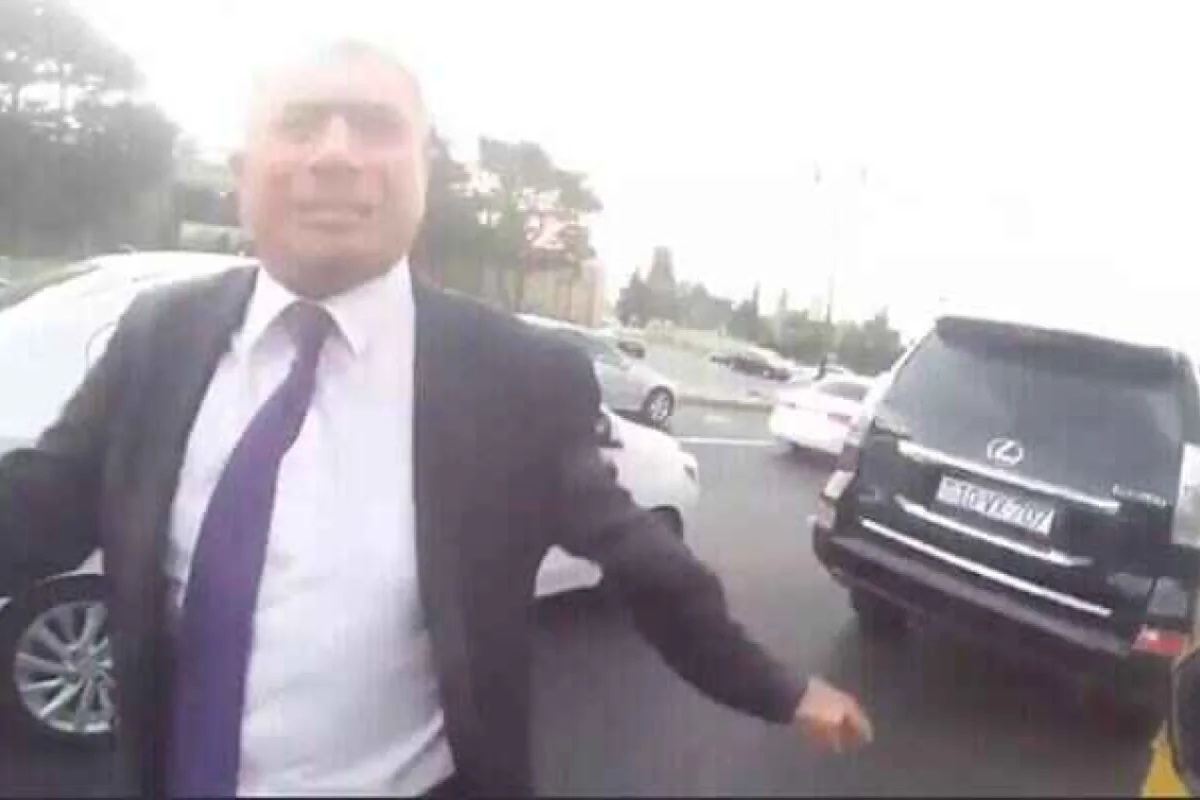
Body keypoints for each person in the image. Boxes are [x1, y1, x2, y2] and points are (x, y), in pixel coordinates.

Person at [0, 40, 872, 797]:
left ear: (424, 178)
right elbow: (41, 505)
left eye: (375, 126)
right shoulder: (161, 335)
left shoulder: (515, 378)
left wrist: (780, 687)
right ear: (241, 175)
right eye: (299, 124)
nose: (335, 154)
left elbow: (644, 561)